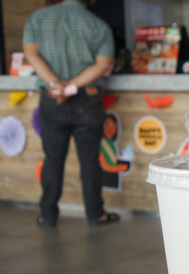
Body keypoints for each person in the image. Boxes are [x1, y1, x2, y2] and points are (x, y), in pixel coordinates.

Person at [23, 0, 119, 227]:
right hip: (88, 99)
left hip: (51, 98)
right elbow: (102, 65)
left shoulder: (37, 19)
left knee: (52, 159)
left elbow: (31, 54)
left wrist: (55, 84)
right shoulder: (99, 26)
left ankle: (47, 216)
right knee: (90, 160)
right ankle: (96, 214)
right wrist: (70, 87)